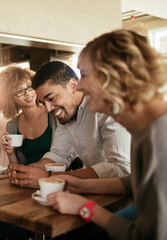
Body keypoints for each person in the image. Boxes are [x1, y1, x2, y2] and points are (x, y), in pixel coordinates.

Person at [47, 29, 167, 239]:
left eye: (84, 75)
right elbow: (138, 182)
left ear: (115, 75)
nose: (80, 86)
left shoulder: (159, 137)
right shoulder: (143, 126)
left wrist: (87, 208)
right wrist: (83, 185)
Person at [7, 61, 131, 188]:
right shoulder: (66, 113)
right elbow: (59, 154)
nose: (48, 109)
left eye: (51, 98)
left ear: (73, 86)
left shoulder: (110, 105)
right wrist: (25, 172)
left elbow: (122, 168)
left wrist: (51, 177)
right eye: (43, 103)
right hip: (99, 189)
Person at [0, 65, 57, 239]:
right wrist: (10, 153)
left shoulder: (54, 115)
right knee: (3, 213)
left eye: (29, 86)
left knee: (11, 217)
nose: (28, 93)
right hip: (26, 186)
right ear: (11, 98)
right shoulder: (12, 125)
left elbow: (64, 157)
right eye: (19, 91)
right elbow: (17, 167)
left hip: (53, 182)